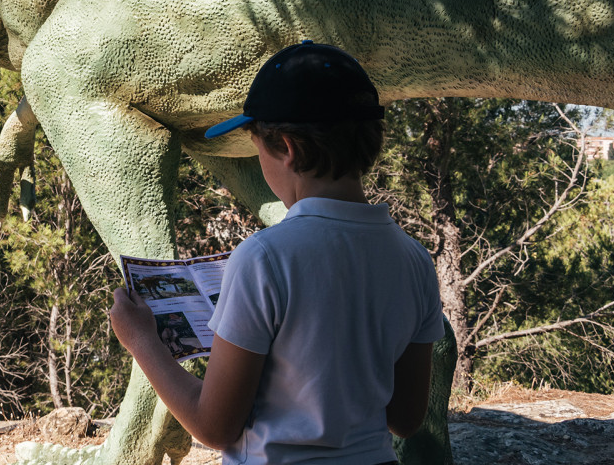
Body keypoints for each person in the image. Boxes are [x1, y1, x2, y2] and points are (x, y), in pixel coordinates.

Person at [110, 41, 444, 465]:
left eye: (257, 150)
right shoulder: (415, 261)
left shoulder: (265, 258)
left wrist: (141, 340)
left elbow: (214, 427)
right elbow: (407, 418)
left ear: (286, 148)